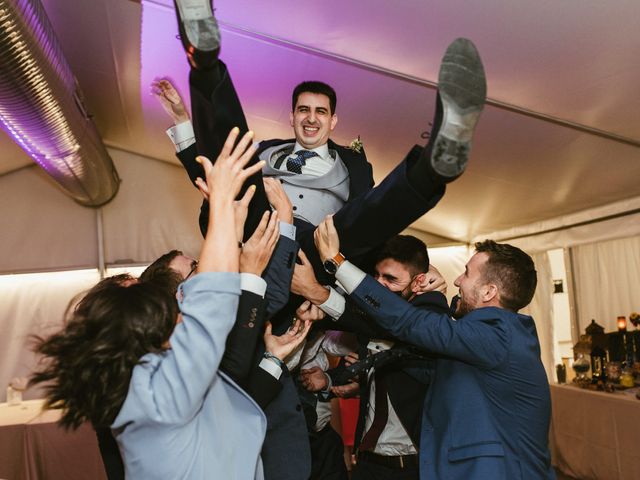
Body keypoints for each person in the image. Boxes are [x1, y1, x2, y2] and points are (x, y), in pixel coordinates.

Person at [30, 129, 311, 479]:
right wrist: (222, 204)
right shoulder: (162, 392)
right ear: (144, 333)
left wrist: (230, 223)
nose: (181, 318)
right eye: (172, 318)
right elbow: (211, 300)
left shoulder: (136, 380)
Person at [157, 0, 487, 286]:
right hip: (258, 229)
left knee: (363, 217)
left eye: (320, 112)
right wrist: (181, 119)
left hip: (317, 248)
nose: (311, 118)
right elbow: (209, 169)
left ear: (333, 121)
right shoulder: (266, 150)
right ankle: (204, 63)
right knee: (232, 161)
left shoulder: (353, 163)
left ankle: (433, 167)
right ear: (291, 117)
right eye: (303, 110)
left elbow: (372, 218)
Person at [314, 216, 555, 480]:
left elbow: (410, 322)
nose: (457, 281)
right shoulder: (492, 336)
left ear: (488, 292)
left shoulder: (497, 334)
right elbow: (428, 369)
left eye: (466, 273)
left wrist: (338, 264)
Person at [298, 235, 450, 479]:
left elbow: (409, 357)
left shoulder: (432, 312)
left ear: (419, 281)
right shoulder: (373, 318)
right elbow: (367, 366)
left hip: (412, 465)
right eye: (376, 276)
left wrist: (317, 292)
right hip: (367, 461)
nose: (378, 285)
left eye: (390, 279)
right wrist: (327, 379)